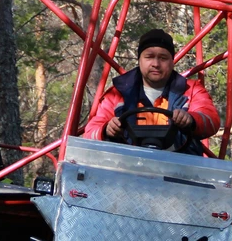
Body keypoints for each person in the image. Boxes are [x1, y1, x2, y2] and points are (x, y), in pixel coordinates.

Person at [83, 28, 221, 155]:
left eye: (163, 58)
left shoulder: (191, 90)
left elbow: (211, 120)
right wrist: (106, 129)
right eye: (149, 57)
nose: (156, 63)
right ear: (139, 60)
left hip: (178, 169)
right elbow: (90, 133)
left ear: (172, 62)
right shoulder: (118, 93)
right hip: (127, 168)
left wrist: (191, 119)